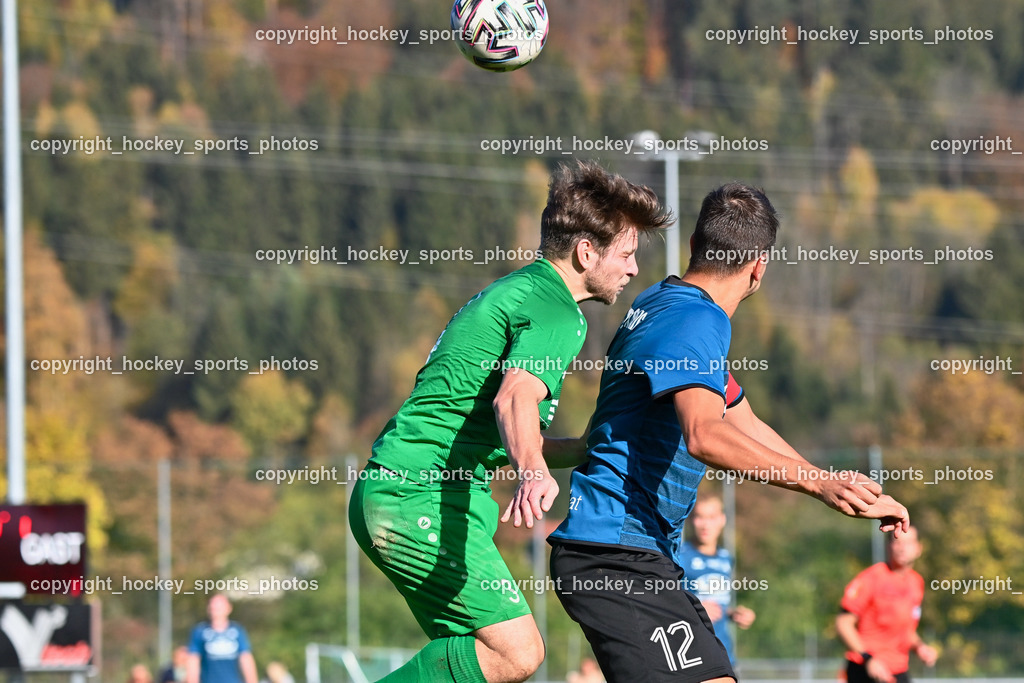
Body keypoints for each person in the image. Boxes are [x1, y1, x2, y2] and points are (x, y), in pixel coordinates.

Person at [547, 183, 911, 683]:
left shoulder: (665, 303)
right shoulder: (695, 321)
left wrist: (834, 482)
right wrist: (815, 484)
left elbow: (743, 420)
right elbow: (704, 434)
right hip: (614, 553)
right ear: (759, 267)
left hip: (639, 554)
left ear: (695, 244)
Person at [348, 160, 672, 683]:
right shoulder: (557, 311)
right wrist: (532, 471)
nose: (634, 270)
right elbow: (514, 400)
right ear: (586, 252)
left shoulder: (521, 292)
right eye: (628, 254)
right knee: (515, 652)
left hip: (420, 493)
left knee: (473, 662)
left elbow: (502, 424)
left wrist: (581, 449)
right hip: (417, 495)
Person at [836, 526, 938, 683]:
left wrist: (920, 647)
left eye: (908, 542)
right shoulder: (871, 578)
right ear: (888, 546)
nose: (902, 548)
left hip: (898, 670)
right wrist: (868, 659)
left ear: (919, 548)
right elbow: (843, 623)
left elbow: (906, 630)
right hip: (865, 669)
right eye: (897, 542)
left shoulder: (916, 583)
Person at [676, 494, 755, 665]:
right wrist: (694, 609)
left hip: (723, 652)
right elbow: (662, 600)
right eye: (700, 517)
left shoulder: (726, 559)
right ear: (691, 520)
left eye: (711, 517)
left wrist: (733, 614)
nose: (705, 524)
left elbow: (716, 606)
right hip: (690, 653)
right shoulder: (679, 556)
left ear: (722, 520)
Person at [186, 594, 258, 683]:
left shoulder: (237, 631)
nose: (216, 609)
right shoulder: (200, 631)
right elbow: (193, 661)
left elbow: (246, 659)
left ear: (229, 608)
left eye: (219, 606)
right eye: (213, 606)